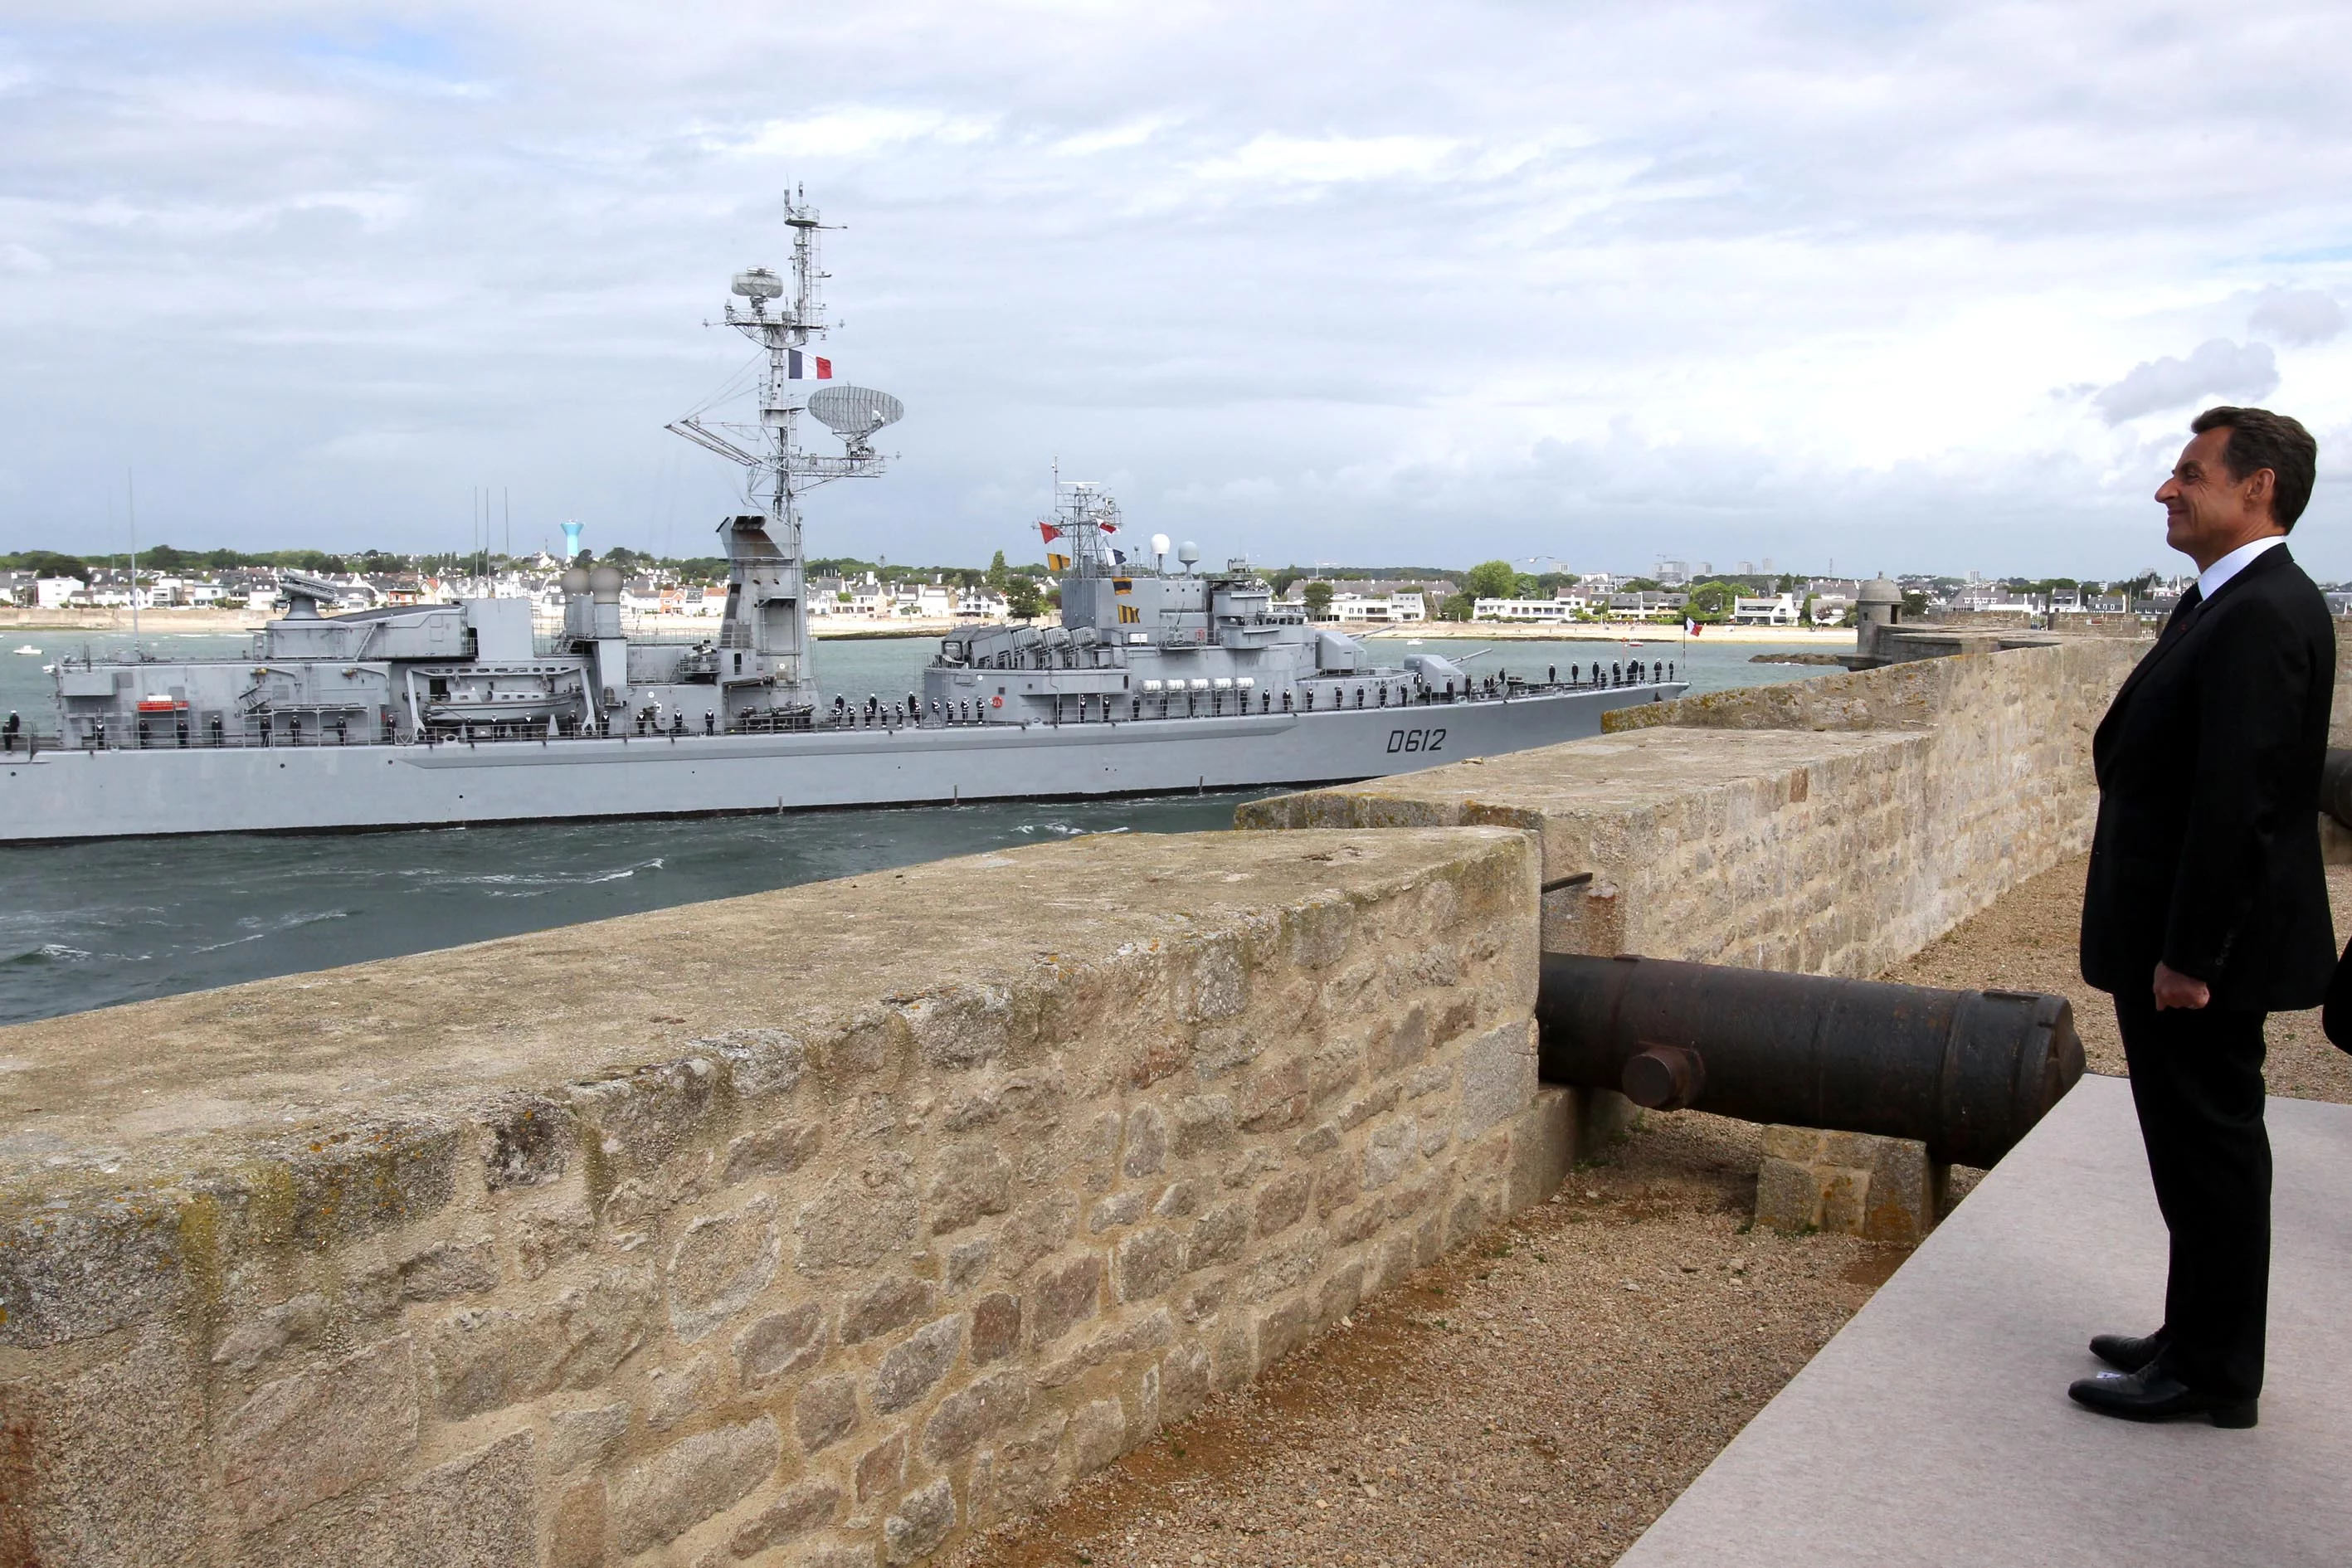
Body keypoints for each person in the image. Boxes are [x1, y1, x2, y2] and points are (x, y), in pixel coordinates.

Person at [2072, 406, 2334, 1429]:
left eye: (2190, 473)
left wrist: (2190, 956)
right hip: (2177, 938)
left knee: (2211, 1150)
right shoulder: (2224, 600)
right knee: (2189, 1150)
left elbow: (2243, 802)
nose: (2166, 490)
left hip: (2198, 952)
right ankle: (2193, 1334)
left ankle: (2216, 1372)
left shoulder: (2263, 612)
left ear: (2257, 487)